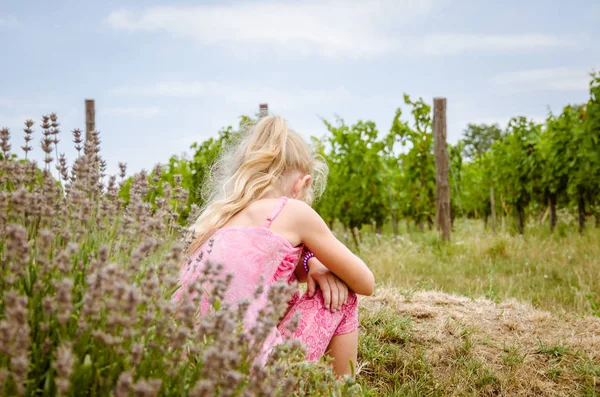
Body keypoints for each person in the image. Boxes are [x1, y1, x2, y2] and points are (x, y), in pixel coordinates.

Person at [171, 115, 374, 377]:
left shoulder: (214, 222)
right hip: (253, 379)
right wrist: (324, 265)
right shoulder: (291, 211)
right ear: (302, 183)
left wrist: (311, 261)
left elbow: (276, 268)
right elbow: (365, 282)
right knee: (343, 296)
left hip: (187, 375)